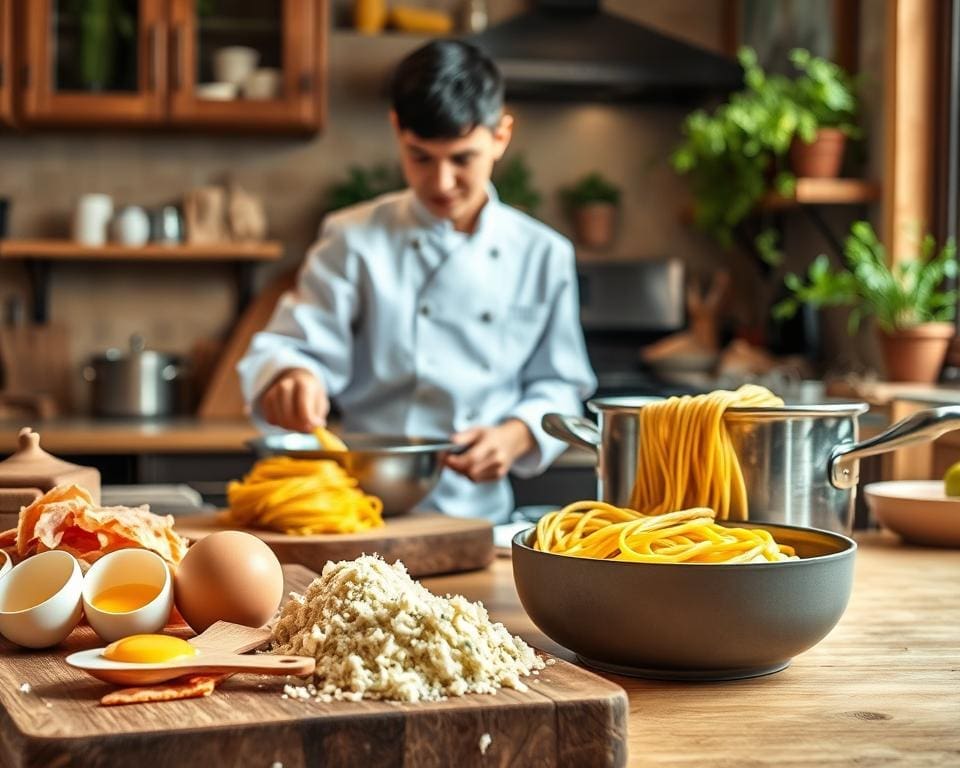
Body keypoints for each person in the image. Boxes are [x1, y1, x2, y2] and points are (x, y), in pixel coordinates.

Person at [237, 39, 596, 520]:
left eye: (462, 158)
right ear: (396, 130)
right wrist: (292, 376)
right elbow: (294, 346)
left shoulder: (542, 253)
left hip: (478, 516)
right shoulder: (352, 237)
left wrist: (518, 433)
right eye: (421, 157)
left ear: (501, 135)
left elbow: (561, 383)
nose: (442, 182)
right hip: (357, 507)